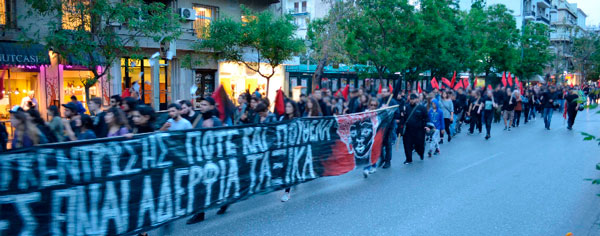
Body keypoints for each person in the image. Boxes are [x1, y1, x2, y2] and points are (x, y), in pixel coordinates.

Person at [279, 100, 300, 202]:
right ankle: (293, 179)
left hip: (294, 148)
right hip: (284, 147)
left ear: (293, 108)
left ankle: (287, 192)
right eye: (286, 106)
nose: (287, 108)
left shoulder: (297, 120)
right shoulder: (282, 118)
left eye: (289, 107)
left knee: (290, 168)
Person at [402, 94, 429, 164]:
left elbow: (426, 118)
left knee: (419, 144)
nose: (412, 100)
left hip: (419, 130)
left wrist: (427, 126)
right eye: (411, 99)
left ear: (417, 99)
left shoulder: (422, 108)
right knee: (407, 144)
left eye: (413, 99)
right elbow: (404, 119)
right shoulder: (406, 108)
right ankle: (408, 159)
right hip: (408, 130)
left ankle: (420, 153)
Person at [378, 87, 399, 168]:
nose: (382, 93)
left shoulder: (392, 101)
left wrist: (388, 110)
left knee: (387, 143)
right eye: (382, 92)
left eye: (384, 92)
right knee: (379, 143)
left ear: (388, 93)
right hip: (381, 125)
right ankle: (382, 158)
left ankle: (387, 161)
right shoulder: (380, 101)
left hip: (389, 126)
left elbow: (397, 113)